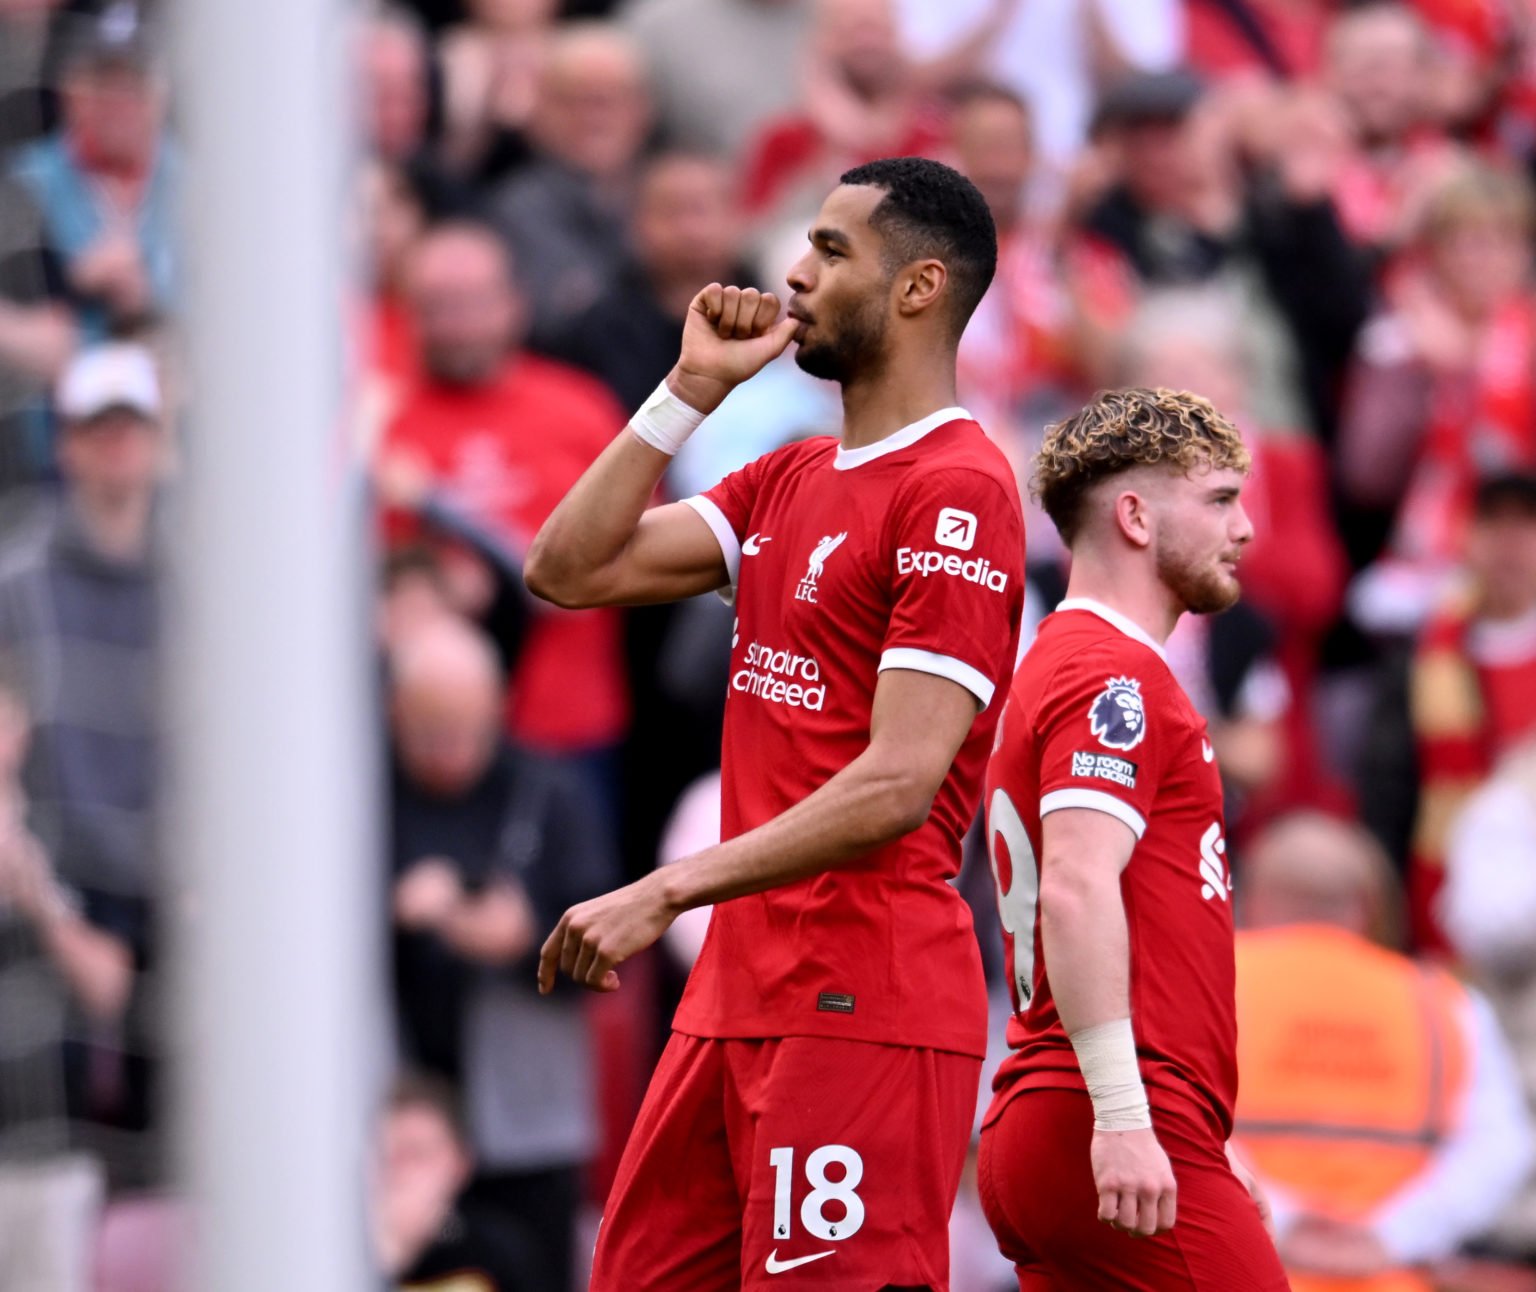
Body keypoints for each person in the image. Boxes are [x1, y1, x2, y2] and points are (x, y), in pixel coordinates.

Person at [524, 156, 1025, 1290]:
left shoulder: (959, 489)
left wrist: (667, 884)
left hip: (863, 992)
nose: (792, 275)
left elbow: (899, 781)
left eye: (831, 250)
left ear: (918, 288)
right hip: (734, 991)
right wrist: (685, 392)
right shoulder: (787, 476)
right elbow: (565, 566)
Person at [976, 387, 1288, 1288]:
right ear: (1136, 516)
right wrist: (1125, 1113)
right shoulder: (1111, 677)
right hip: (1101, 1113)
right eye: (1222, 499)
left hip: (1066, 1115)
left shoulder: (1068, 664)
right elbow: (1076, 884)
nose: (1247, 529)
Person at [387, 618, 616, 1291]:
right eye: (430, 731)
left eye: (465, 729)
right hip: (397, 1126)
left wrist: (517, 938)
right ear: (393, 710)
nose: (450, 751)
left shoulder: (551, 794)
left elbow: (609, 959)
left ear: (497, 706)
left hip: (524, 1123)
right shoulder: (361, 795)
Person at [1234, 811, 1532, 1291]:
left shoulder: (1206, 984)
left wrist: (1285, 1222)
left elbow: (1163, 1123)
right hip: (1389, 1278)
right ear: (1363, 906)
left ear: (1257, 898)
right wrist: (1392, 1235)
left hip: (1245, 1272)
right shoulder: (1443, 1002)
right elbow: (1501, 1150)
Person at [380, 220, 630, 772]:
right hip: (428, 733)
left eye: (471, 302)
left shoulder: (581, 408)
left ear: (513, 303)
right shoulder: (380, 422)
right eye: (437, 304)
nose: (455, 324)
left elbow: (645, 546)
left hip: (567, 722)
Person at [1359, 471, 1536, 954]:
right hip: (1444, 907)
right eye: (1493, 525)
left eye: (1526, 526)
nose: (1510, 544)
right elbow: (1389, 790)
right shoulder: (1420, 656)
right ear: (1466, 538)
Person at [373, 1073, 534, 1292]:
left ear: (461, 1165)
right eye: (390, 1154)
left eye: (418, 1153)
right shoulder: (345, 1251)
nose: (401, 1169)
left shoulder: (492, 1254)